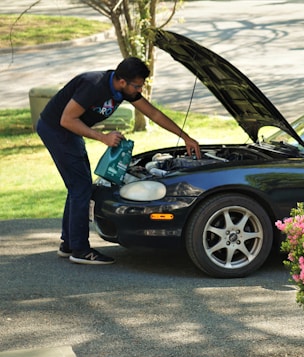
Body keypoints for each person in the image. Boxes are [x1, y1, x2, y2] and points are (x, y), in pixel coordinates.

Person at [37, 57, 201, 265]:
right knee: (81, 187)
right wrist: (103, 138)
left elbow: (153, 113)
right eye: (137, 86)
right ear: (122, 81)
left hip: (69, 131)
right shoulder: (93, 85)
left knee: (79, 186)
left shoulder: (124, 90)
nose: (139, 90)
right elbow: (67, 120)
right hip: (56, 130)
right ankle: (79, 249)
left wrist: (185, 137)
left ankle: (69, 244)